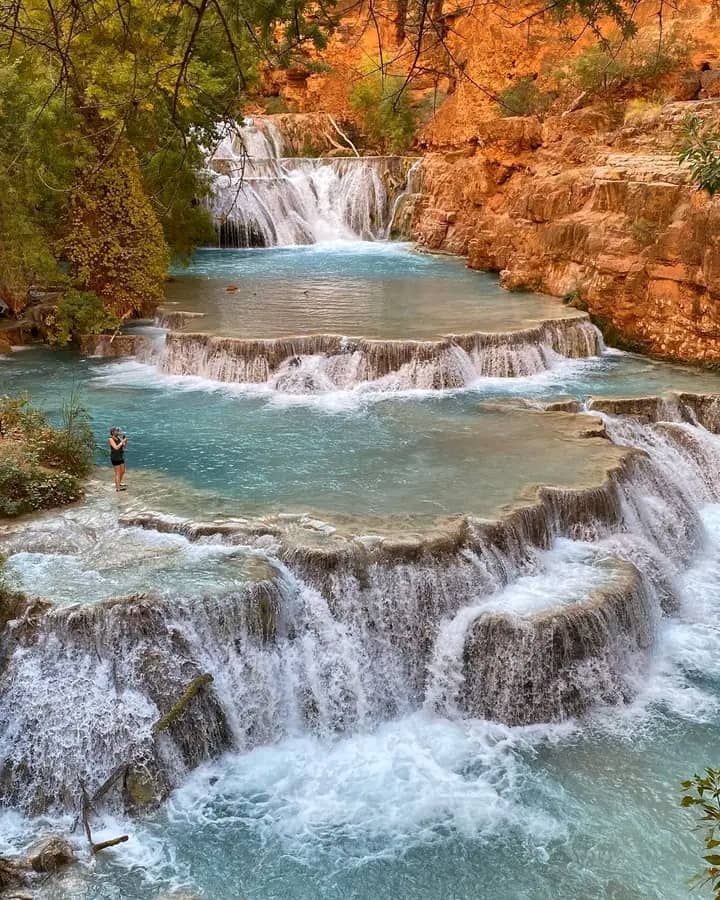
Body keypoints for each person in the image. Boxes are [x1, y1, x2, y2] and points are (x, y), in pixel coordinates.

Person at [108, 426, 128, 492]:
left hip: (120, 457)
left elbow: (124, 446)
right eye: (117, 431)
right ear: (112, 432)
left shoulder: (119, 438)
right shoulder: (110, 439)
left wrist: (125, 441)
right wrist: (122, 442)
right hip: (115, 457)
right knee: (117, 473)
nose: (118, 432)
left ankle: (118, 483)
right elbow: (116, 448)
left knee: (123, 471)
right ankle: (118, 489)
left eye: (118, 431)